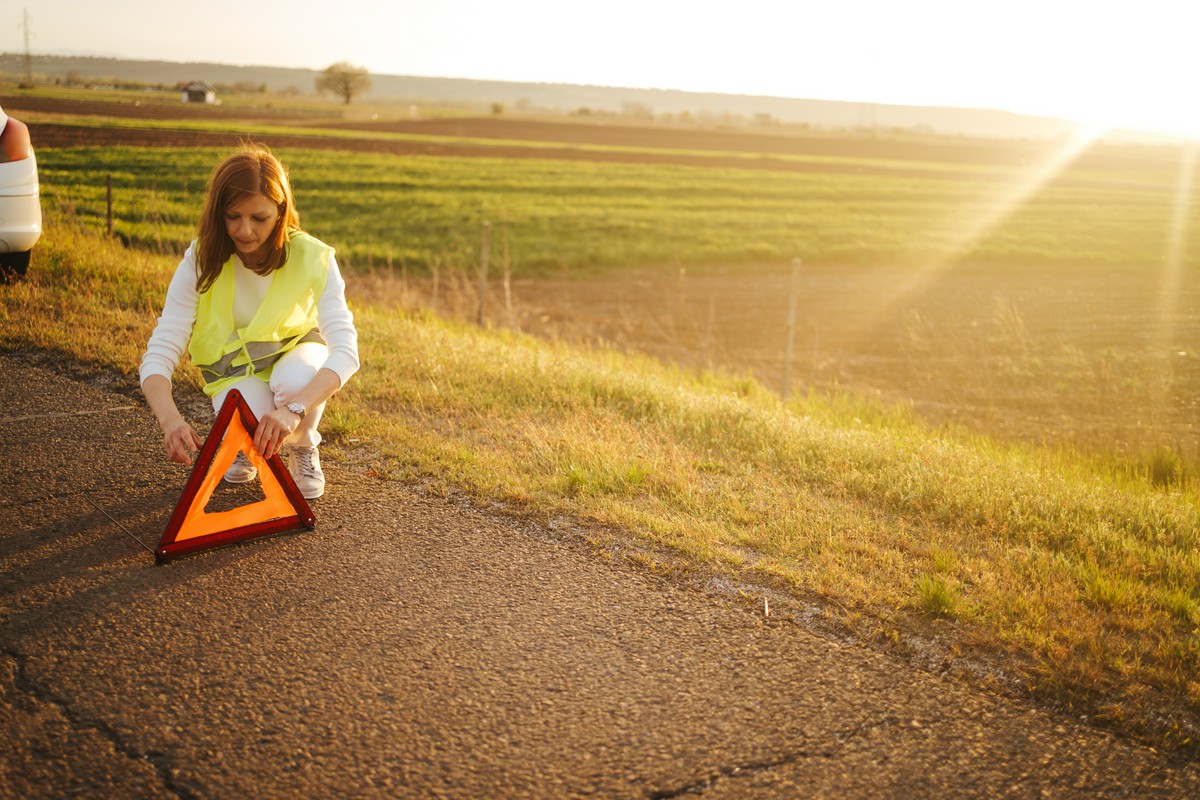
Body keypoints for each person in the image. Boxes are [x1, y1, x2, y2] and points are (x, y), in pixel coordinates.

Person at [140, 145, 359, 499]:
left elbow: (347, 352)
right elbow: (161, 348)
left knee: (294, 384)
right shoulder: (201, 258)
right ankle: (243, 444)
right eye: (233, 216)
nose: (244, 231)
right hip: (236, 374)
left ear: (281, 212)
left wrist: (293, 411)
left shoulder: (313, 257)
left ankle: (303, 446)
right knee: (252, 423)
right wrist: (170, 421)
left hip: (296, 360)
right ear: (218, 214)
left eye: (259, 218)